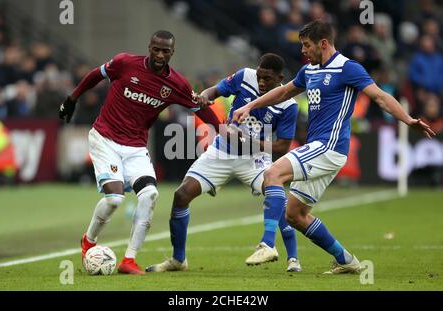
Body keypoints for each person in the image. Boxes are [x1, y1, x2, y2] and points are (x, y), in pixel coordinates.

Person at [232, 20, 435, 274]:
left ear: (324, 43)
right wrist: (250, 106)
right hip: (319, 149)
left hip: (329, 146)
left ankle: (268, 243)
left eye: (307, 45)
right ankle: (346, 260)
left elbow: (380, 97)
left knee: (272, 173)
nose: (303, 51)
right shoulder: (308, 71)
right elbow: (283, 92)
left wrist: (407, 119)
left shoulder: (347, 68)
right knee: (294, 215)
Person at [58, 30, 221, 275]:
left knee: (150, 195)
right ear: (149, 47)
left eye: (165, 51)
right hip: (105, 138)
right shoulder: (125, 63)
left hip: (135, 147)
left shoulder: (177, 84)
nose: (159, 54)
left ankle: (129, 261)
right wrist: (72, 98)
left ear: (172, 53)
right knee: (114, 199)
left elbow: (201, 109)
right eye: (156, 49)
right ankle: (89, 241)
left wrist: (223, 131)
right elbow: (96, 75)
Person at [146, 53, 302, 273]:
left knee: (277, 198)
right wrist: (204, 96)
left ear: (280, 78)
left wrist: (248, 141)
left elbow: (282, 147)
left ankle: (292, 258)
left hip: (254, 159)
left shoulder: (289, 104)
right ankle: (178, 260)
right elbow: (215, 91)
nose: (261, 82)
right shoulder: (244, 76)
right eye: (259, 76)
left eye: (267, 78)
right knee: (181, 195)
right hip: (221, 151)